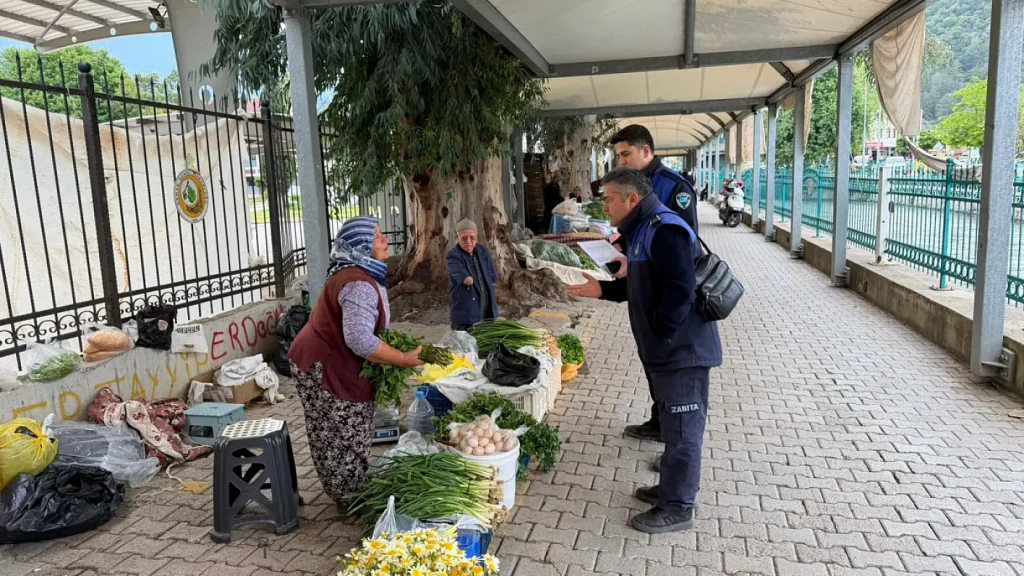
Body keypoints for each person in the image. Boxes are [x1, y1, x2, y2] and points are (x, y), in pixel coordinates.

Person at [570, 167, 721, 533]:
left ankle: (678, 507)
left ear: (630, 199)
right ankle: (671, 489)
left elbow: (680, 291)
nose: (605, 207)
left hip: (681, 352)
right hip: (665, 352)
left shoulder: (664, 229)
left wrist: (663, 337)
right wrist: (603, 290)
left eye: (608, 199)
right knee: (672, 423)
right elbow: (642, 285)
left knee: (684, 428)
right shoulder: (643, 229)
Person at [288, 217, 424, 505]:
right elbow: (360, 340)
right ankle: (350, 497)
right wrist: (400, 358)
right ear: (362, 246)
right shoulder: (357, 283)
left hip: (319, 359)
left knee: (339, 431)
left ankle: (351, 489)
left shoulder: (357, 273)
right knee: (338, 434)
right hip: (323, 366)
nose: (384, 239)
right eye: (376, 237)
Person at [606, 124, 701, 443]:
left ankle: (673, 441)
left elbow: (679, 246)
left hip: (668, 289)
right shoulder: (632, 182)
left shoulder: (674, 186)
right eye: (618, 155)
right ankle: (659, 420)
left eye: (626, 154)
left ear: (646, 151)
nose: (621, 161)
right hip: (646, 285)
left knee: (669, 364)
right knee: (653, 361)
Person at [447, 219, 499, 331]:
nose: (468, 241)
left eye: (472, 237)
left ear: (477, 236)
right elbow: (467, 280)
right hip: (466, 312)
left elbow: (492, 277)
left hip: (486, 309)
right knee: (466, 345)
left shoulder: (482, 250)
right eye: (464, 238)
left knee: (485, 343)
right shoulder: (453, 256)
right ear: (457, 238)